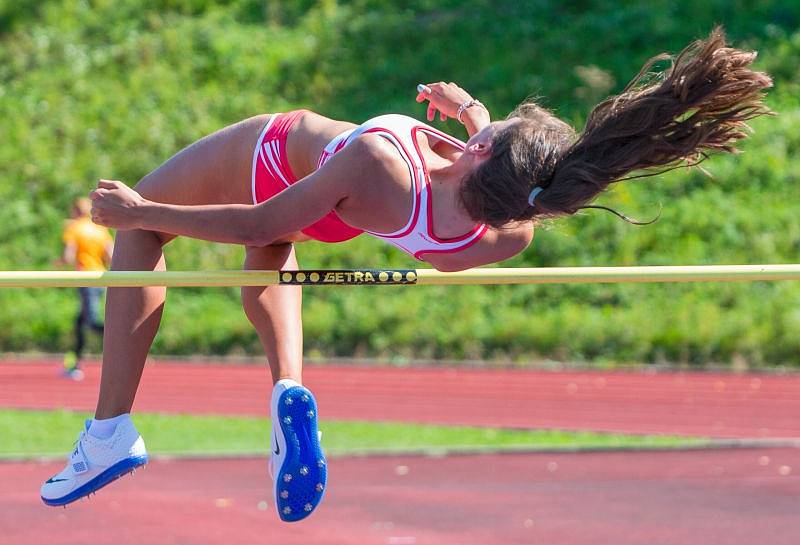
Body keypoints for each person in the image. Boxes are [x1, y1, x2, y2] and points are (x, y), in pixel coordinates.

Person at [41, 29, 771, 521]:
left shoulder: (382, 160)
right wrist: (477, 116)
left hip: (280, 161)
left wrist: (142, 208)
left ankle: (109, 429)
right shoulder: (509, 225)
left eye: (490, 130)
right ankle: (287, 387)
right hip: (350, 215)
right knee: (269, 267)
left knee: (147, 240)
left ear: (483, 151)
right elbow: (507, 173)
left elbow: (258, 221)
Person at [58, 197, 114, 380]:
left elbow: (68, 256)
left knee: (90, 322)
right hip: (101, 277)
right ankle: (75, 365)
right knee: (80, 322)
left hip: (85, 277)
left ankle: (124, 340)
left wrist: (58, 263)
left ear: (75, 211)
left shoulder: (74, 228)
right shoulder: (100, 229)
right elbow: (112, 255)